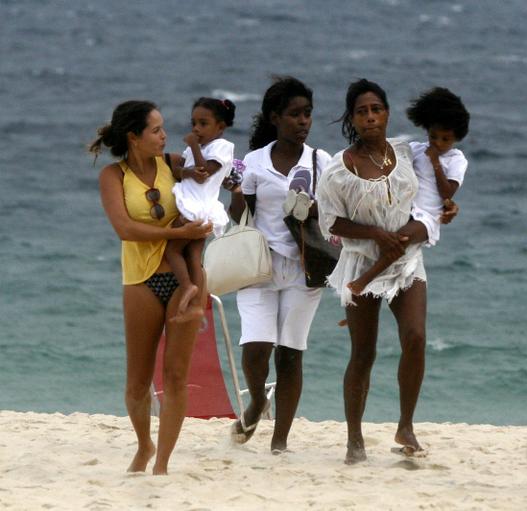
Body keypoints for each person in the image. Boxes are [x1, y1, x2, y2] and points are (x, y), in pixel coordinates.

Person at [318, 79, 454, 464]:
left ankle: (405, 425)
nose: (370, 117)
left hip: (406, 259)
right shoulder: (338, 170)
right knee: (363, 352)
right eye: (362, 111)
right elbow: (331, 224)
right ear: (352, 118)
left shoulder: (407, 153)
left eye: (376, 109)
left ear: (387, 113)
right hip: (362, 261)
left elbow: (432, 194)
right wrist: (376, 233)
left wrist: (448, 206)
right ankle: (354, 440)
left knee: (415, 337)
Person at [91, 100, 212, 475]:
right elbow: (124, 229)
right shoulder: (113, 175)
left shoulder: (173, 165)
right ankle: (145, 445)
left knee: (176, 376)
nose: (163, 136)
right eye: (156, 130)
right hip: (140, 280)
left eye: (163, 129)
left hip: (185, 280)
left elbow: (204, 184)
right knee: (137, 382)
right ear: (134, 136)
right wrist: (177, 232)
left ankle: (162, 464)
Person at [228, 77, 331, 454]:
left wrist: (312, 207)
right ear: (275, 117)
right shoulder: (253, 161)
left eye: (307, 114)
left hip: (305, 269)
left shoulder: (322, 162)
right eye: (294, 114)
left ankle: (280, 441)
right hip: (259, 266)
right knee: (256, 349)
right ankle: (257, 400)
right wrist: (236, 189)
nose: (303, 121)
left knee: (290, 352)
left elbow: (335, 215)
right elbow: (237, 215)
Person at [347, 86, 470, 296]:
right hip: (405, 211)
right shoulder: (415, 149)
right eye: (433, 136)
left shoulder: (456, 159)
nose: (438, 143)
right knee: (385, 240)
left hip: (427, 218)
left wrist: (436, 163)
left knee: (400, 240)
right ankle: (370, 290)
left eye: (445, 139)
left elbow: (447, 193)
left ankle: (363, 282)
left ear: (456, 137)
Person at [165, 97, 236, 321]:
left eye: (203, 124)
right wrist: (186, 168)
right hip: (198, 208)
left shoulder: (221, 147)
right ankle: (196, 306)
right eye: (193, 123)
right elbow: (185, 172)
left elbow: (203, 172)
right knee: (194, 256)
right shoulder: (198, 148)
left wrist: (193, 146)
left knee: (173, 251)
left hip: (195, 209)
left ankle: (187, 287)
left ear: (220, 128)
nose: (196, 129)